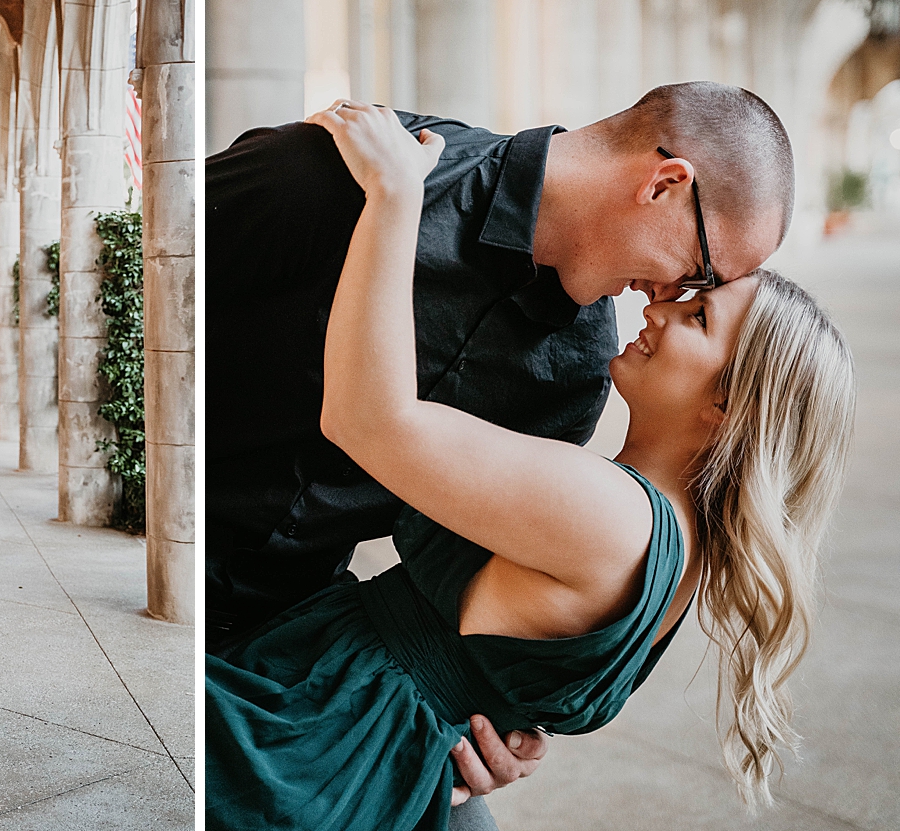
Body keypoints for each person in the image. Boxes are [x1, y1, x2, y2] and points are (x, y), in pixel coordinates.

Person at [206, 102, 855, 831]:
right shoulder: (332, 176)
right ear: (664, 183)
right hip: (321, 712)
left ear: (729, 407)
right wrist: (488, 713)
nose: (666, 302)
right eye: (700, 278)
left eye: (698, 308)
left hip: (307, 731)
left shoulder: (594, 441)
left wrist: (395, 200)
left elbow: (372, 423)